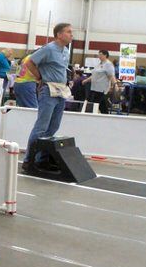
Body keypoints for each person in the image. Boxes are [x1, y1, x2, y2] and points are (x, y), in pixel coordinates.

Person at [22, 23, 73, 171]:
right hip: (48, 90)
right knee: (41, 127)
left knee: (53, 126)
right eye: (68, 32)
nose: (71, 35)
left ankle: (42, 158)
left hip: (61, 91)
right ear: (59, 34)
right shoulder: (49, 49)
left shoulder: (66, 51)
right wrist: (39, 77)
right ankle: (29, 159)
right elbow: (30, 62)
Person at [83, 50, 117, 114]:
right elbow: (94, 75)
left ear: (105, 55)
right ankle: (104, 114)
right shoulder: (99, 64)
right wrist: (86, 80)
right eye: (99, 54)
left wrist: (115, 85)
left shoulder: (108, 64)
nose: (99, 56)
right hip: (95, 87)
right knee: (100, 104)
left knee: (98, 103)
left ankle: (99, 114)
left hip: (102, 88)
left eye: (100, 54)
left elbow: (111, 76)